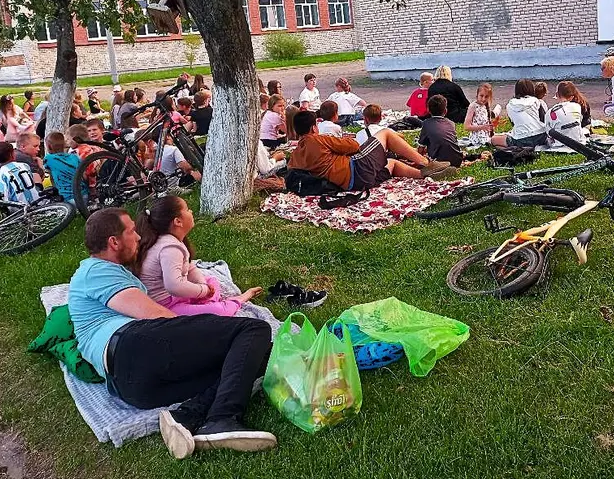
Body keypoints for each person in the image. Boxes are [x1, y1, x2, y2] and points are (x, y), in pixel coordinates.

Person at [68, 208, 276, 457]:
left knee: (256, 355)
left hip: (137, 389)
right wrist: (201, 334)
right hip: (131, 348)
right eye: (132, 231)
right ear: (114, 242)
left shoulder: (112, 272)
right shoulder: (95, 270)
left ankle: (186, 416)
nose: (138, 237)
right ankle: (223, 417)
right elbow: (154, 315)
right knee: (253, 329)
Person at [134, 197, 264, 317]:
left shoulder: (170, 241)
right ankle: (238, 300)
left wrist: (203, 284)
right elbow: (174, 286)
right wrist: (203, 291)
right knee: (219, 311)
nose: (191, 211)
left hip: (177, 297)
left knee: (211, 281)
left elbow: (190, 268)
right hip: (165, 306)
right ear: (178, 221)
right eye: (187, 209)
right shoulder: (170, 248)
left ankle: (205, 303)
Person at [289, 110, 449, 192]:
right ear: (313, 128)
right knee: (385, 134)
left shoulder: (295, 156)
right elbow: (354, 146)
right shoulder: (318, 139)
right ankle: (426, 163)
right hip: (356, 170)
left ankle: (423, 174)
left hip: (353, 185)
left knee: (391, 163)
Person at [491, 79, 547, 148]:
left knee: (493, 139)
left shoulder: (510, 105)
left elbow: (514, 124)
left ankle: (513, 149)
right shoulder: (535, 101)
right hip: (541, 137)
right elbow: (544, 119)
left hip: (521, 140)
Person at [418, 96, 463, 167]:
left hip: (438, 161)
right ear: (445, 111)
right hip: (457, 160)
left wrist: (418, 159)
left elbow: (421, 147)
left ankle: (441, 167)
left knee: (425, 157)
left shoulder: (426, 123)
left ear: (428, 110)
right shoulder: (451, 123)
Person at [545, 81, 591, 149]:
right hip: (578, 142)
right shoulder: (577, 106)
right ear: (572, 97)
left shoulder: (550, 112)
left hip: (558, 144)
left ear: (557, 95)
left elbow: (548, 131)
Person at [44, 132, 81, 203]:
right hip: (83, 193)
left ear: (48, 146)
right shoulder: (74, 157)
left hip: (67, 197)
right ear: (64, 144)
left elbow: (48, 176)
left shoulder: (49, 159)